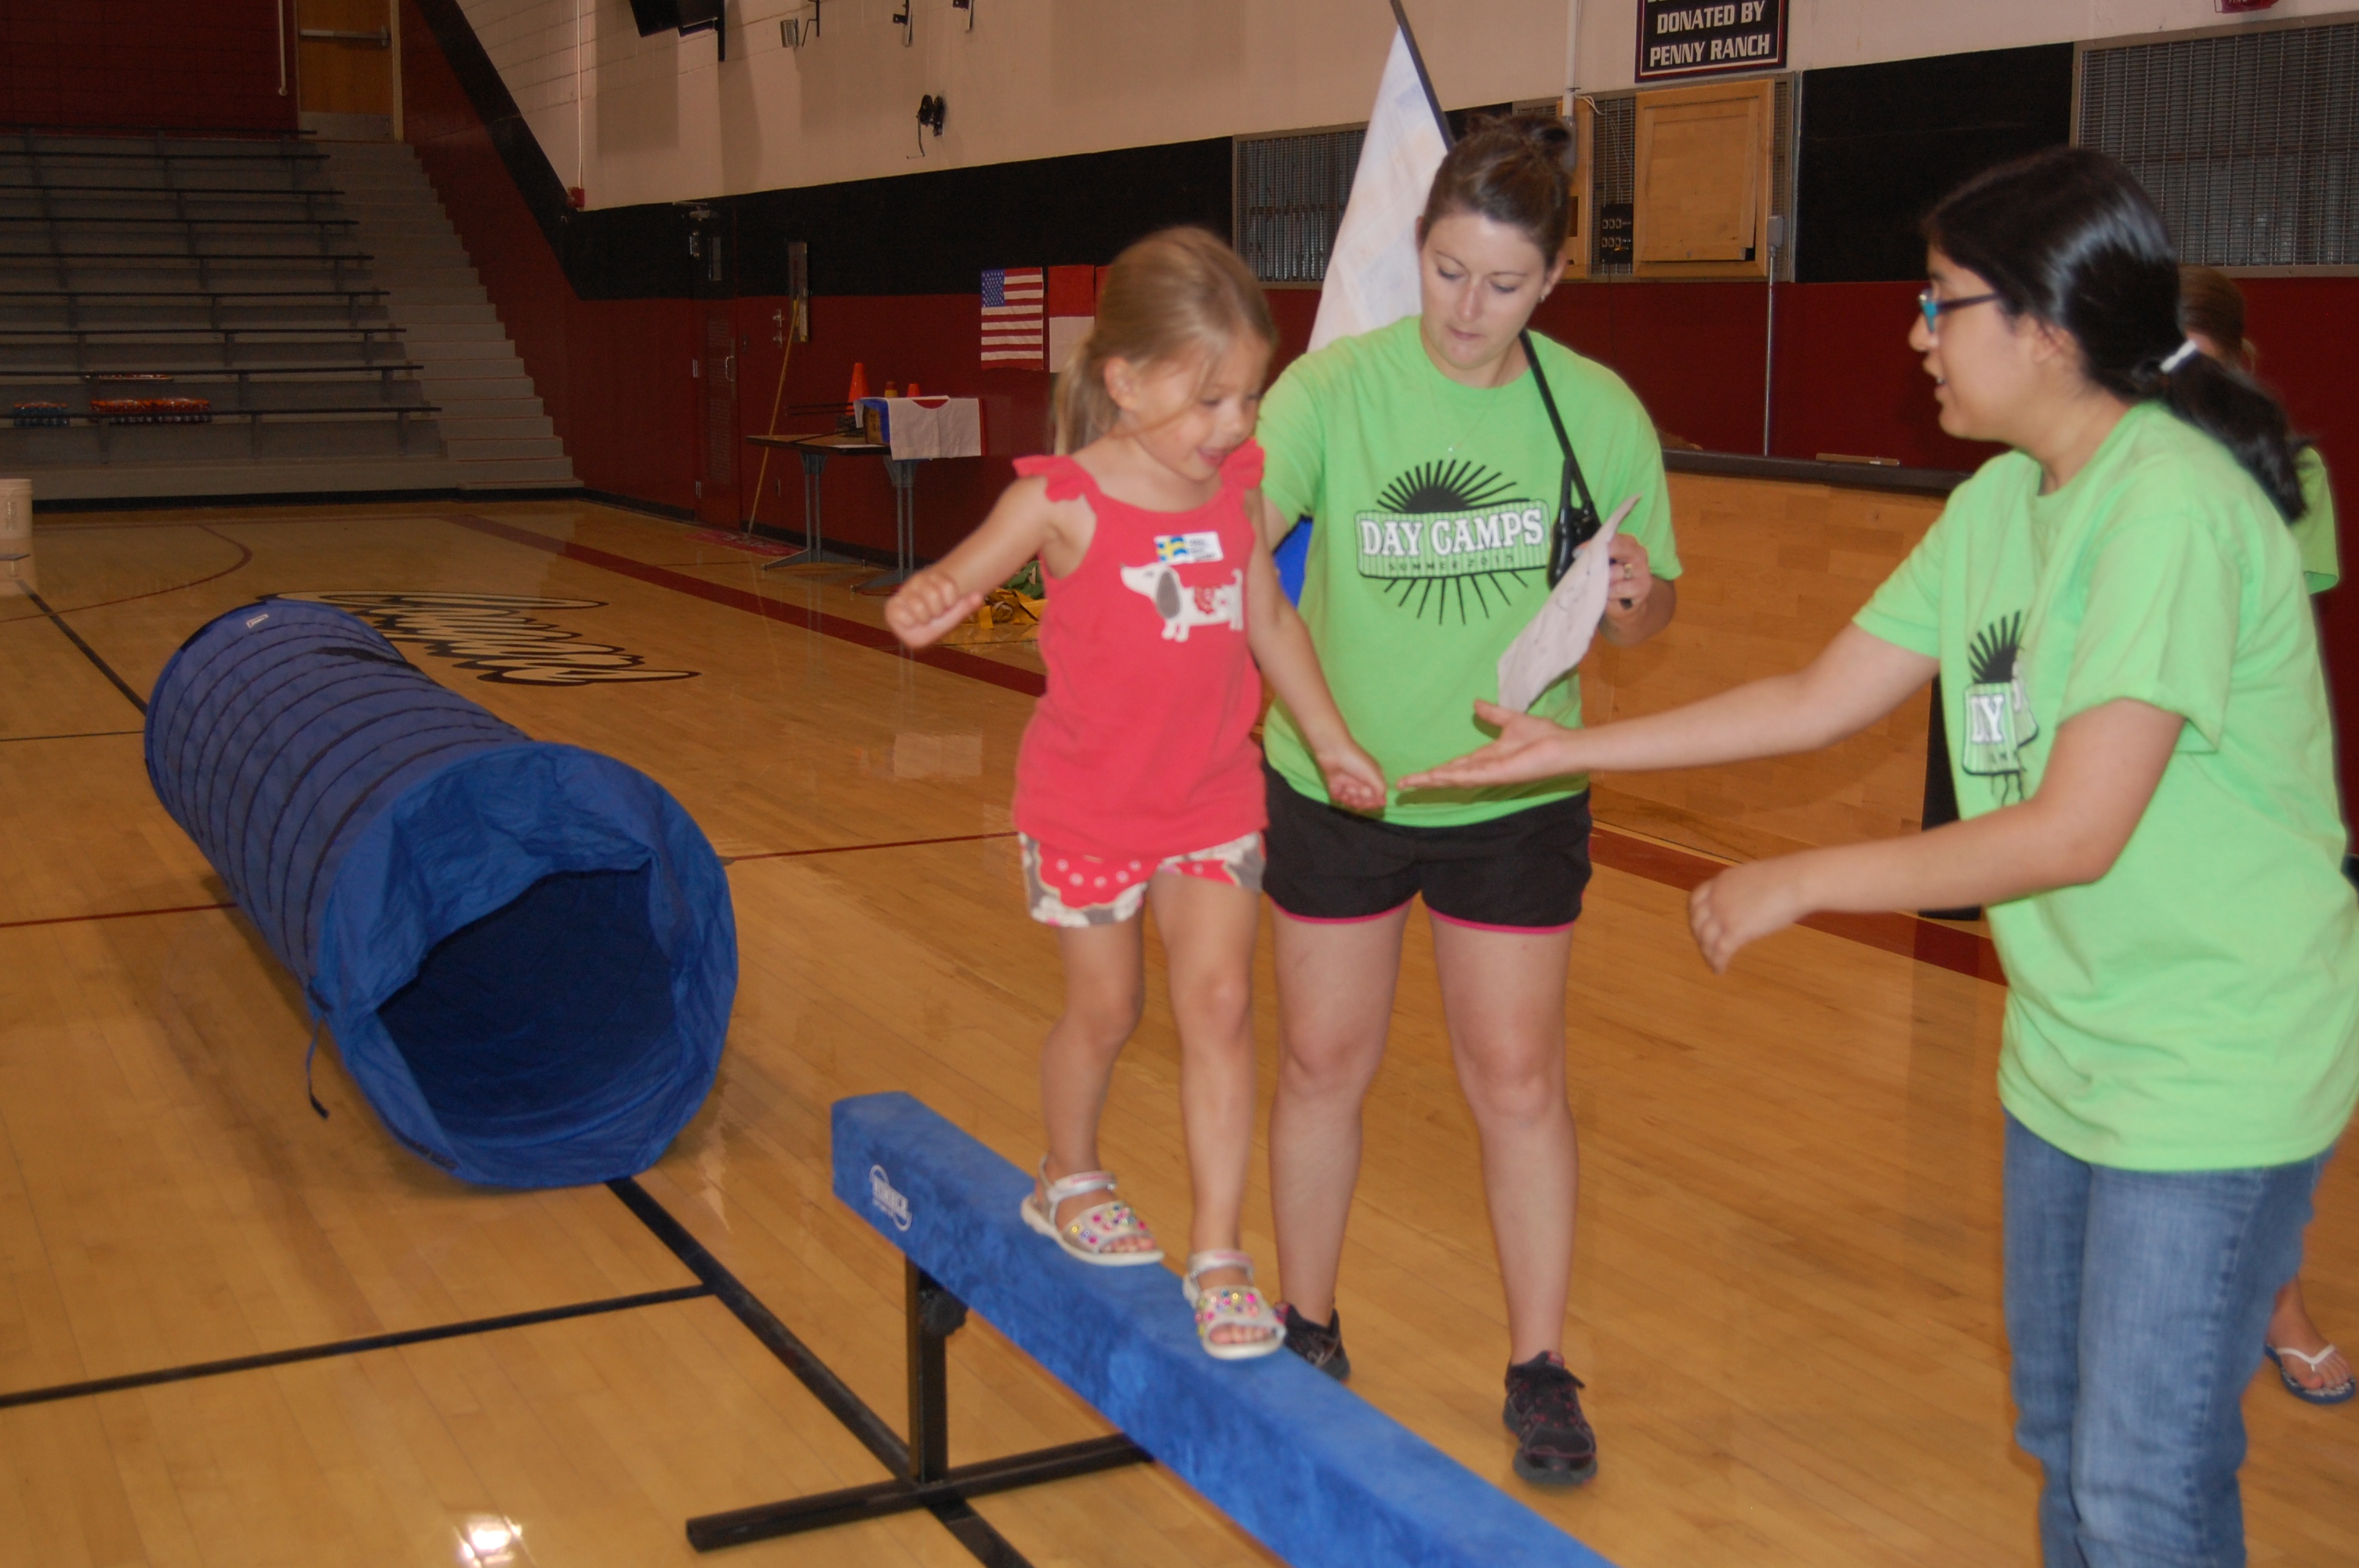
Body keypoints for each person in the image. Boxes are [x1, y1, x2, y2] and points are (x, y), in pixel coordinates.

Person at [1409, 147, 2357, 1564]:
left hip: (2214, 1059)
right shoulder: (1998, 506)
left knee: (2143, 1484)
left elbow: (2078, 829)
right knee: (2075, 1455)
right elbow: (1814, 697)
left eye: (1940, 302)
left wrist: (1803, 878)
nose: (1915, 333)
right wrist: (1569, 749)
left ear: (2043, 326)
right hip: (2073, 1053)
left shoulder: (2171, 508)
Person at [1249, 114, 1681, 1484]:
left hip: (1513, 793)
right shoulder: (1327, 395)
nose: (1467, 311)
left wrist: (1634, 598)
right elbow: (1229, 557)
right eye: (1445, 272)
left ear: (1551, 279)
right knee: (1324, 1064)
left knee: (1519, 1081)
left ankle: (1541, 1365)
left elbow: (1643, 615)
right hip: (1336, 790)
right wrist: (1317, 729)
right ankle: (1305, 1322)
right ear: (1414, 250)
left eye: (1503, 285)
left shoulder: (1597, 411)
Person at [885, 227, 1385, 1359]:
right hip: (1089, 809)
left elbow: (1268, 618)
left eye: (1248, 397)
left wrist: (1330, 735)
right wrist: (935, 596)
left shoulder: (1237, 490)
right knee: (1109, 1011)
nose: (1236, 426)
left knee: (1218, 1008)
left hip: (1213, 796)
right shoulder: (1065, 500)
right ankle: (1064, 1174)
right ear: (1124, 380)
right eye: (1210, 400)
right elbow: (972, 569)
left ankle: (1219, 1254)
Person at [2182, 263, 2352, 1406]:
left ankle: (2275, 1294)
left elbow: (2272, 588)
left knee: (2292, 1080)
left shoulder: (2286, 474)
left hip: (2264, 811)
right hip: (2154, 825)